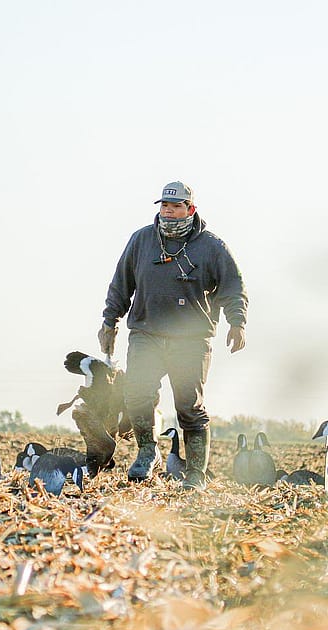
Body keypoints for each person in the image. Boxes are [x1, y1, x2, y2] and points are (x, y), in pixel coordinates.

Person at [98, 180, 247, 490]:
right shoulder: (142, 241)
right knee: (137, 395)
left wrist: (237, 322)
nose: (168, 211)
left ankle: (194, 474)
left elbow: (233, 287)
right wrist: (110, 320)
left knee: (189, 406)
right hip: (146, 332)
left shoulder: (211, 246)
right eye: (164, 205)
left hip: (191, 341)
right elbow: (122, 283)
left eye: (175, 206)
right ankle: (147, 452)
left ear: (189, 209)